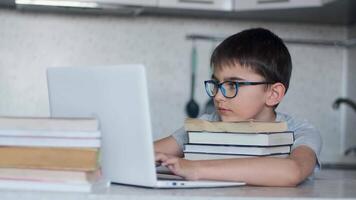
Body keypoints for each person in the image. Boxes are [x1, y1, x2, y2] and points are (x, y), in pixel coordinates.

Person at [154, 28, 322, 187]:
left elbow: (293, 171)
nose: (218, 96)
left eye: (233, 85)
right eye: (216, 83)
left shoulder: (300, 131)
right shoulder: (206, 124)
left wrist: (196, 168)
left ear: (273, 94)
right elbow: (149, 151)